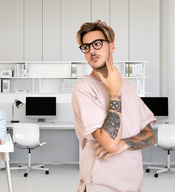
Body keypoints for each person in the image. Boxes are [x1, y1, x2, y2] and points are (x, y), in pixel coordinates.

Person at [71, 20, 157, 192]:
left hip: (133, 185)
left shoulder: (128, 86)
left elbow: (150, 136)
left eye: (97, 44)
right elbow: (110, 144)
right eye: (86, 47)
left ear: (112, 47)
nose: (91, 50)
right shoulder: (83, 89)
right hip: (101, 186)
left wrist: (125, 144)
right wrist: (115, 92)